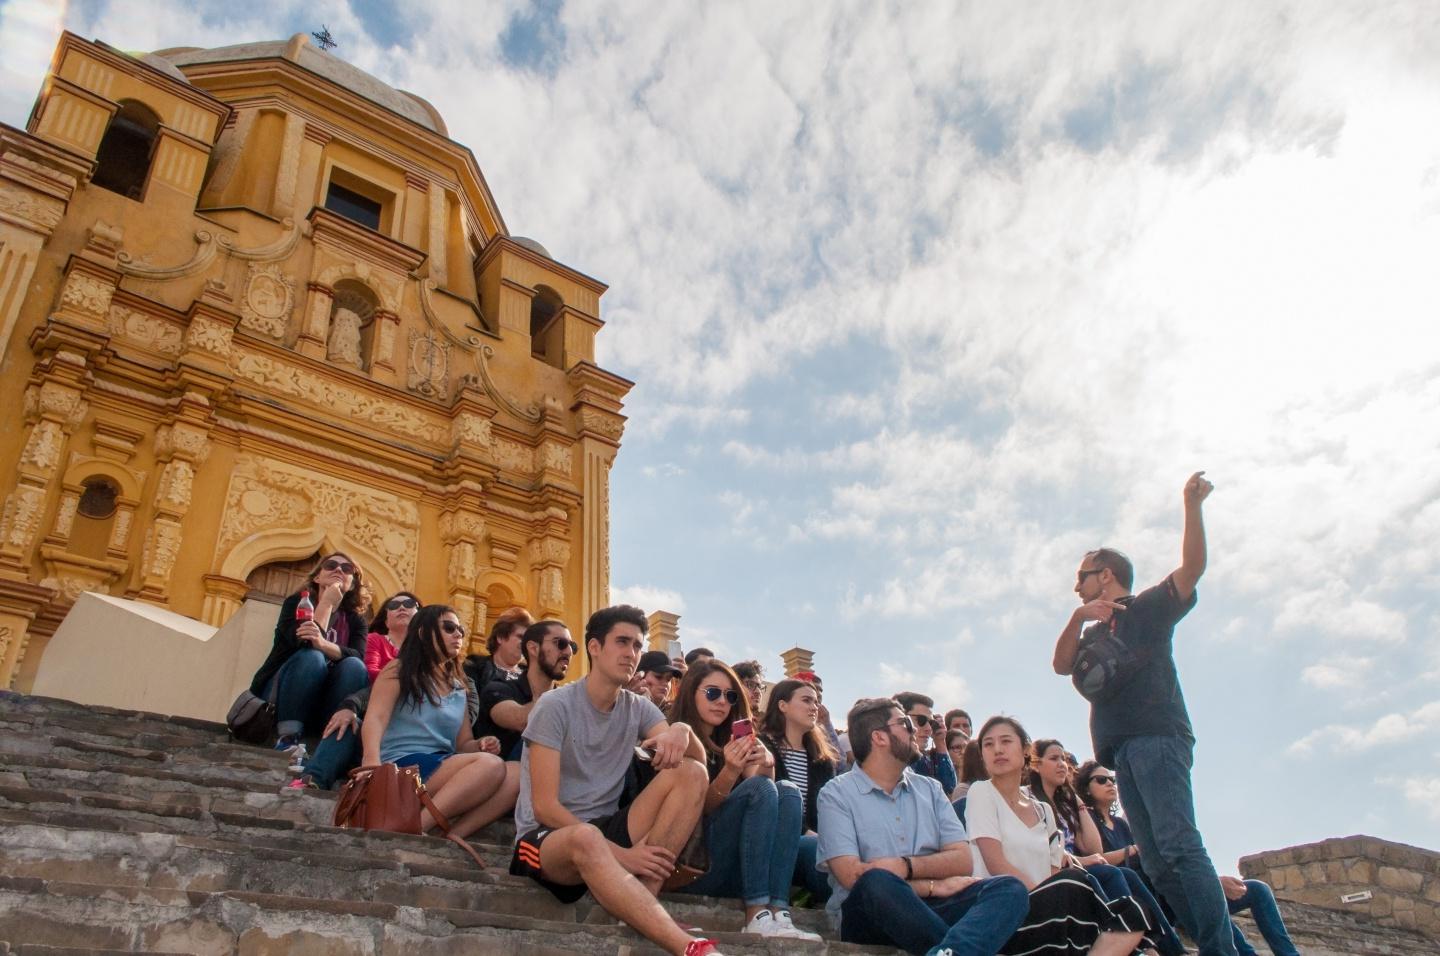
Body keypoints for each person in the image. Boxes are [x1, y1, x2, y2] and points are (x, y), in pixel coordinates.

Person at [1053, 471, 1234, 955]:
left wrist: (1192, 506)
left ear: (1105, 575)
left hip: (1158, 737)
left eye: (1082, 577)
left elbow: (1191, 570)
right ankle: (1214, 943)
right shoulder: (1090, 633)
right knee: (1155, 862)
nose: (1077, 586)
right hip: (1121, 751)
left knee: (1179, 844)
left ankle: (1222, 950)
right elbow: (1060, 665)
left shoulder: (1147, 609)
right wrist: (1076, 619)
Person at [508, 605, 723, 956]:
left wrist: (682, 729)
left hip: (605, 829)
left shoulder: (637, 707)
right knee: (585, 837)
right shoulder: (555, 705)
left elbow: (697, 765)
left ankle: (641, 905)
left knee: (691, 773)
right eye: (622, 642)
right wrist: (622, 856)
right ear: (595, 647)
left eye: (637, 646)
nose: (632, 654)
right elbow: (544, 808)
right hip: (546, 842)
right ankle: (692, 949)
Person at [816, 697, 1029, 956]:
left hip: (934, 906)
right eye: (905, 723)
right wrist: (933, 885)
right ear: (879, 737)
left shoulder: (930, 788)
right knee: (875, 881)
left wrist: (907, 866)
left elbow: (963, 859)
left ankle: (947, 952)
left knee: (1009, 888)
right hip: (870, 912)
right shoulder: (836, 793)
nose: (915, 730)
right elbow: (852, 876)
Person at [966, 715, 1147, 956]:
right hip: (1008, 910)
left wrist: (1060, 897)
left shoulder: (1043, 810)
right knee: (1074, 884)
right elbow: (995, 863)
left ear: (1025, 751)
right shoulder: (981, 792)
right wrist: (1054, 895)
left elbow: (1052, 870)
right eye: (988, 744)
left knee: (1136, 911)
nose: (997, 749)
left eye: (1006, 741)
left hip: (1052, 909)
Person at [1075, 764, 1299, 956]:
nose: (1110, 784)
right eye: (1102, 780)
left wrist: (1211, 882)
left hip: (1172, 892)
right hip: (1153, 901)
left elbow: (1166, 859)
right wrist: (1134, 849)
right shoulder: (1088, 822)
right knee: (1207, 906)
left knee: (1257, 890)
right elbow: (1096, 858)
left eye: (1113, 779)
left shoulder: (1124, 824)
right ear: (1085, 787)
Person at [668, 659, 819, 939]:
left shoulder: (734, 738)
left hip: (737, 865)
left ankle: (778, 910)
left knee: (787, 790)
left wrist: (767, 762)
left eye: (731, 696)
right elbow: (694, 812)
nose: (722, 702)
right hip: (693, 864)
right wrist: (729, 772)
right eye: (712, 693)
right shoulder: (679, 738)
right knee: (761, 788)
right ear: (691, 693)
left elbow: (767, 799)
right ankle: (755, 913)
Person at [361, 605, 514, 837]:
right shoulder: (399, 669)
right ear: (422, 633)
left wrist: (481, 745)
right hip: (402, 764)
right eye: (449, 628)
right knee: (490, 765)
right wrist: (370, 762)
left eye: (461, 630)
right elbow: (376, 717)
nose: (458, 635)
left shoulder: (459, 686)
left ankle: (451, 835)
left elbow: (463, 744)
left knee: (517, 773)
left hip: (443, 763)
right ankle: (417, 827)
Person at [1030, 741, 1184, 956]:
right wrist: (1086, 861)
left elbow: (1092, 847)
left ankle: (1170, 948)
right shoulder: (1029, 798)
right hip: (1057, 870)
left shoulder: (1065, 803)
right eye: (1054, 758)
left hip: (1077, 866)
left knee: (1128, 875)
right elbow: (1043, 850)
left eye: (1064, 759)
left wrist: (1077, 800)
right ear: (1036, 765)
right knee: (1109, 873)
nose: (1062, 765)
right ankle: (1138, 946)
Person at [248, 552, 369, 752]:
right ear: (317, 577)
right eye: (331, 565)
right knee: (312, 657)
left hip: (325, 700)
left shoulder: (356, 620)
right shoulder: (296, 604)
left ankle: (328, 740)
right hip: (282, 694)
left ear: (353, 584)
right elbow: (305, 643)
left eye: (347, 569)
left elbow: (357, 656)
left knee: (354, 666)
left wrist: (322, 644)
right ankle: (288, 736)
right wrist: (327, 604)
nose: (338, 569)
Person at [758, 677, 839, 903]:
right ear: (782, 705)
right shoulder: (762, 746)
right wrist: (808, 833)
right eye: (806, 700)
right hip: (774, 839)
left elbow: (829, 811)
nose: (814, 707)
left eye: (816, 701)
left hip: (817, 843)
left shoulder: (822, 760)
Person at [895, 692, 958, 794]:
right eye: (921, 720)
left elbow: (949, 789)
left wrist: (940, 742)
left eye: (931, 723)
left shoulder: (925, 760)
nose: (929, 729)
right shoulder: (885, 759)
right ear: (901, 719)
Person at [464, 606, 532, 691]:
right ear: (500, 637)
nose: (525, 643)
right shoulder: (475, 667)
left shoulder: (531, 675)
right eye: (520, 637)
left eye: (527, 639)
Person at [363, 591, 421, 681]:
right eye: (393, 605)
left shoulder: (425, 647)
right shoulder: (374, 639)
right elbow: (369, 671)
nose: (402, 607)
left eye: (409, 604)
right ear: (386, 621)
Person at [794, 671, 845, 770]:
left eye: (820, 690)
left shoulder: (822, 723)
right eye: (814, 688)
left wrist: (827, 724)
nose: (819, 694)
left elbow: (840, 763)